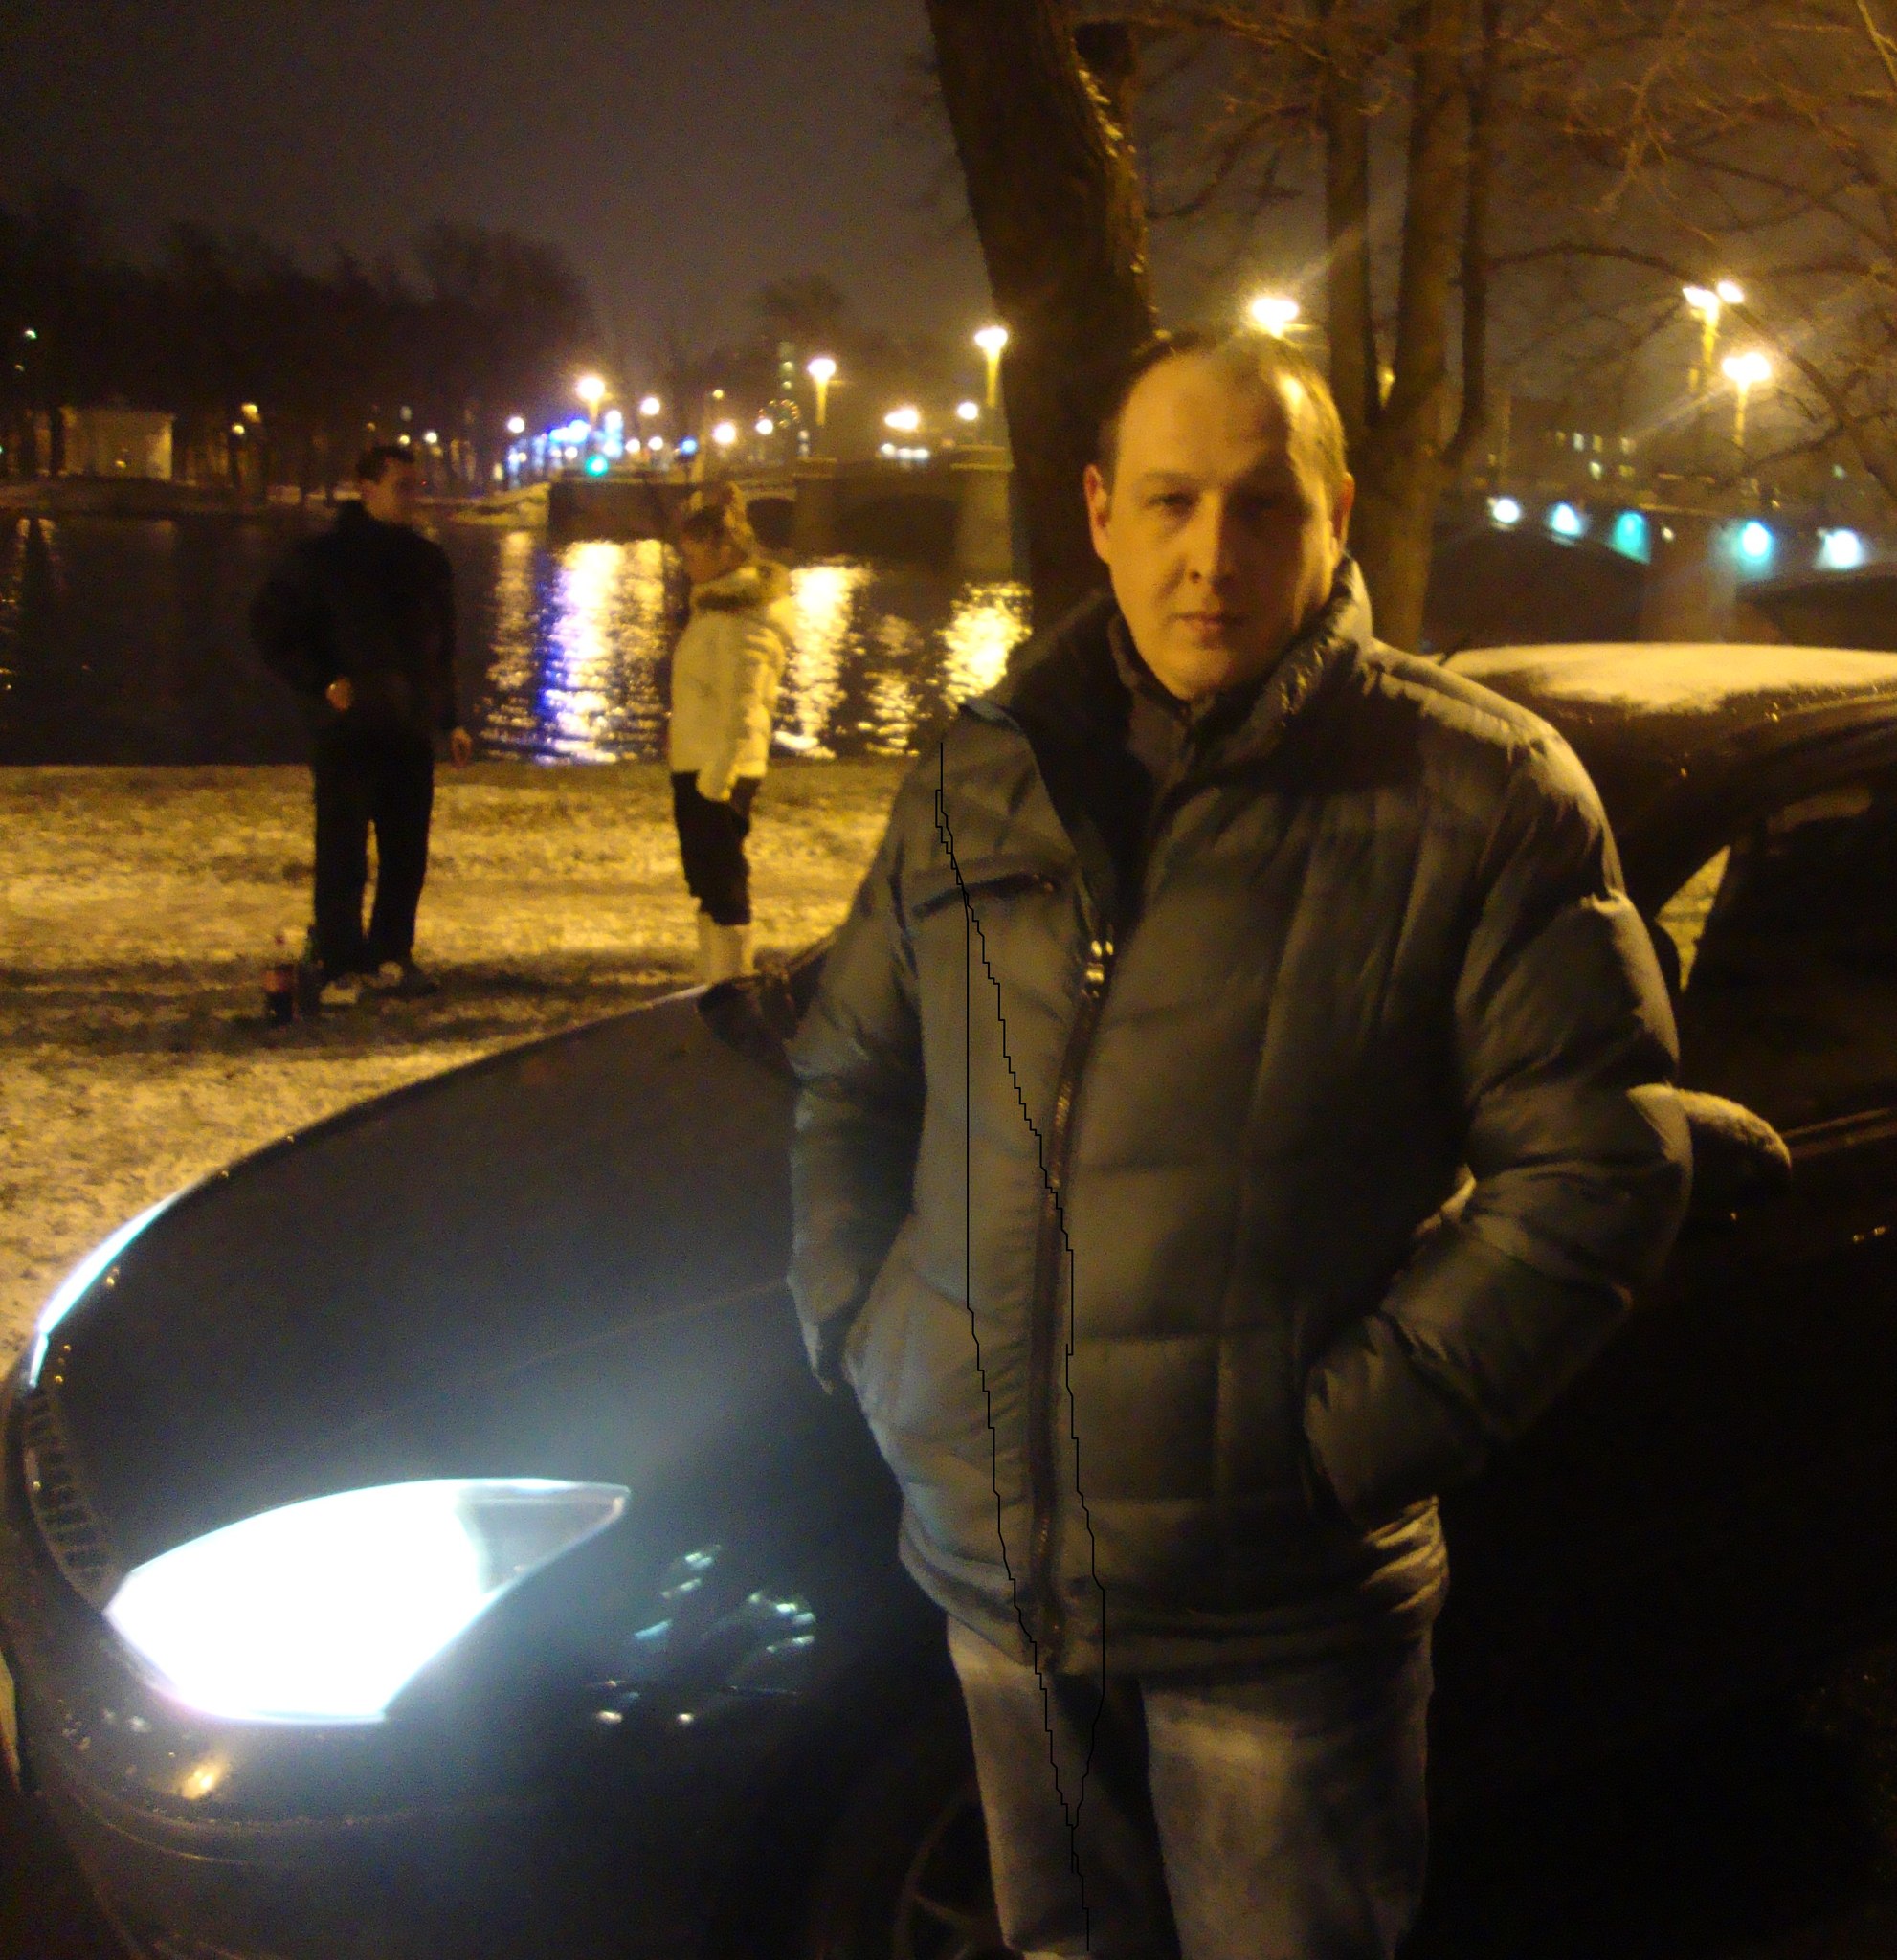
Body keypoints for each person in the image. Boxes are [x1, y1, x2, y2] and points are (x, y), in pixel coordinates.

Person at [788, 330, 1691, 1960]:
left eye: (1261, 506)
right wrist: (875, 1335)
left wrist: (1327, 1451)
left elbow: (1598, 1168)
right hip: (1001, 1587)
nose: (1212, 553)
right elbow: (853, 1079)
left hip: (1274, 1621)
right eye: (1171, 500)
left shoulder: (1478, 793)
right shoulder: (978, 771)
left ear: (1334, 518)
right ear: (1098, 513)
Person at [251, 443, 470, 1006]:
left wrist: (450, 719)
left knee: (406, 852)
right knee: (343, 851)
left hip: (408, 727)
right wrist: (323, 680)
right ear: (367, 487)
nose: (413, 497)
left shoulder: (427, 562)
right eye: (402, 486)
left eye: (417, 486)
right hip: (347, 730)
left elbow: (442, 645)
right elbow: (272, 628)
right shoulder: (322, 559)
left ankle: (391, 953)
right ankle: (339, 960)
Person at [668, 482, 796, 983]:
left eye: (692, 553)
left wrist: (716, 782)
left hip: (718, 771)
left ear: (724, 551)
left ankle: (730, 983)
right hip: (701, 763)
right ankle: (716, 981)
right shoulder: (720, 608)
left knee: (722, 880)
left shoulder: (744, 618)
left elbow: (745, 707)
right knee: (708, 879)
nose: (686, 565)